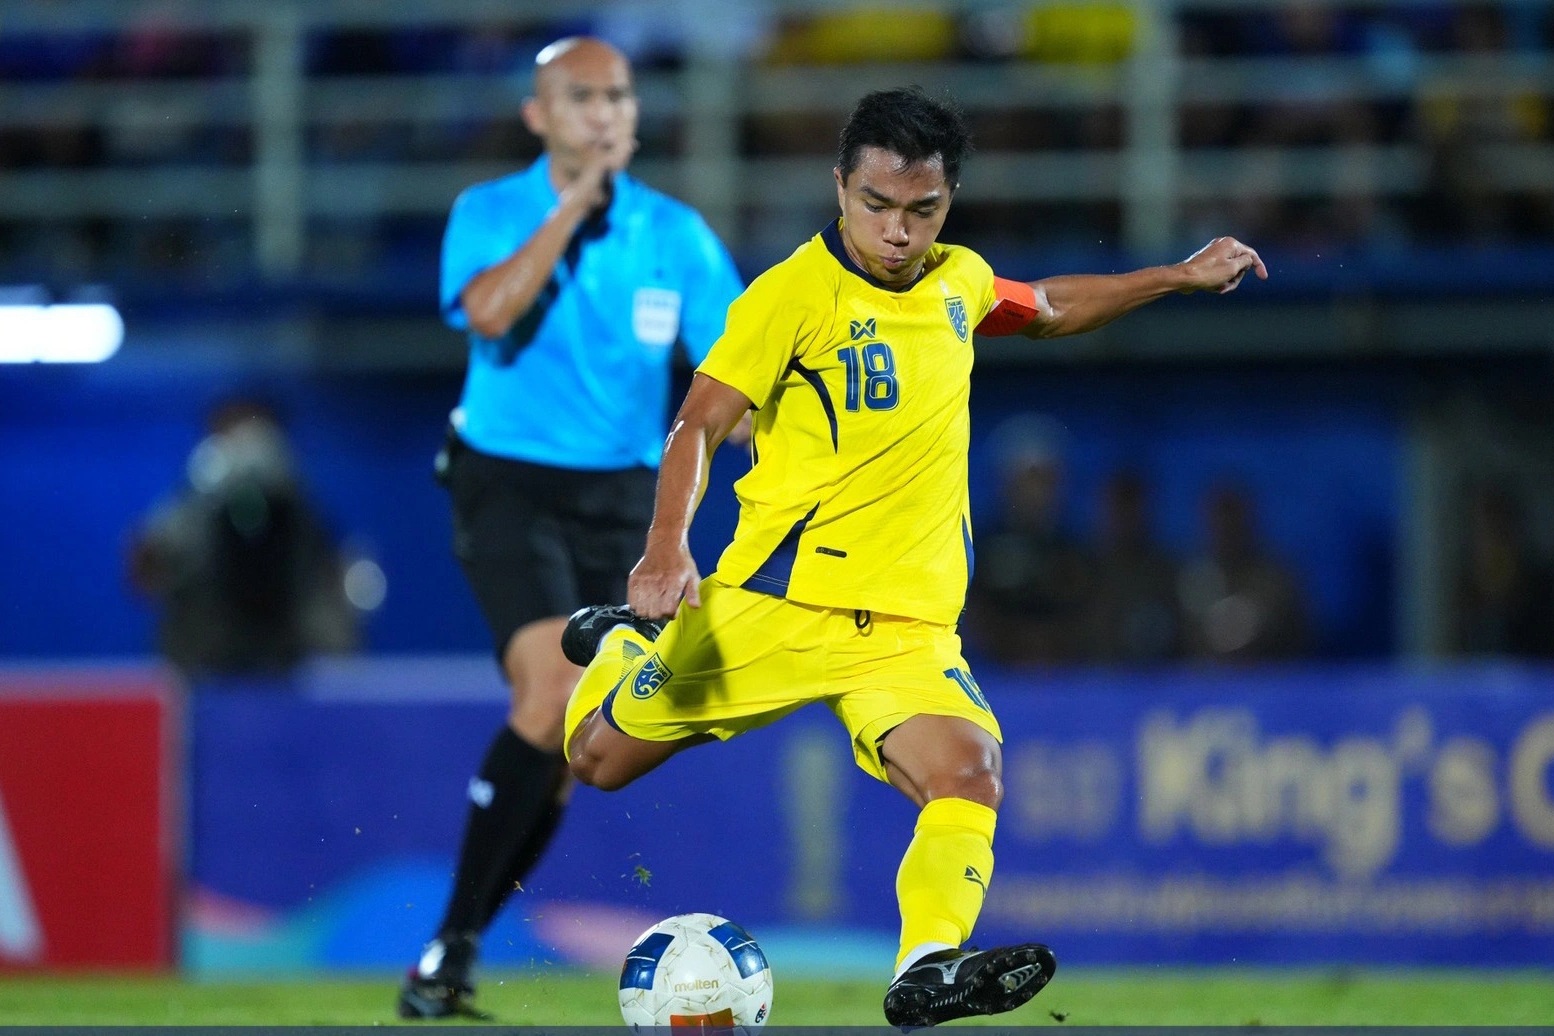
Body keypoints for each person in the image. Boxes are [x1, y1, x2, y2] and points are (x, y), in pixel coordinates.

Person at [557, 86, 1265, 1027]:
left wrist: (1175, 276)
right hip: (776, 602)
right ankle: (621, 640)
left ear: (949, 200)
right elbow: (700, 420)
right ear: (840, 188)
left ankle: (927, 969)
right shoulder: (789, 299)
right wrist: (663, 549)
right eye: (877, 206)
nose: (898, 231)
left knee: (969, 774)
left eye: (922, 210)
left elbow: (1047, 304)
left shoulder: (958, 283)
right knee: (596, 760)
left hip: (907, 631)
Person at [396, 37, 745, 1020]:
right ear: (538, 116)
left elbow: (732, 385)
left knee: (567, 742)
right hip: (507, 481)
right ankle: (449, 948)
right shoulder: (492, 212)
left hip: (623, 499)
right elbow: (493, 314)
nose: (605, 114)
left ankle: (449, 952)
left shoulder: (675, 235)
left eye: (619, 98)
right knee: (552, 686)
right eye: (581, 98)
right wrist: (570, 210)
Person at [127, 398, 360, 678]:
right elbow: (144, 572)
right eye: (233, 437)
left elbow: (337, 622)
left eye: (259, 434)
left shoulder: (303, 518)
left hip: (289, 671)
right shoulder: (188, 514)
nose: (248, 448)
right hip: (207, 670)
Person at [964, 416, 1094, 666]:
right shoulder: (980, 547)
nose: (1036, 491)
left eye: (1045, 480)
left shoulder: (1074, 549)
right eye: (1027, 479)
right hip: (996, 674)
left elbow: (1087, 616)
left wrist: (1050, 647)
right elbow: (973, 615)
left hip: (1064, 674)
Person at [1177, 482, 1309, 662]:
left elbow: (1300, 640)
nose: (1227, 529)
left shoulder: (1273, 577)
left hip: (1266, 679)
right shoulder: (1191, 576)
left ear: (1247, 522)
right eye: (1220, 522)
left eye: (1233, 521)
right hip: (1202, 682)